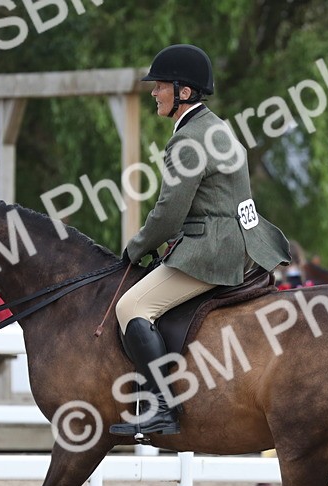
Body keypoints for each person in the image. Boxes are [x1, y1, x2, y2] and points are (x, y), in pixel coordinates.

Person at [109, 44, 291, 438]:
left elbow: (169, 212)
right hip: (248, 240)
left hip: (218, 250)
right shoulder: (218, 127)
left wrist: (136, 247)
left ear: (184, 92)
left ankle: (161, 408)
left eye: (160, 87)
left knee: (131, 306)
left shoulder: (187, 141)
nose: (154, 94)